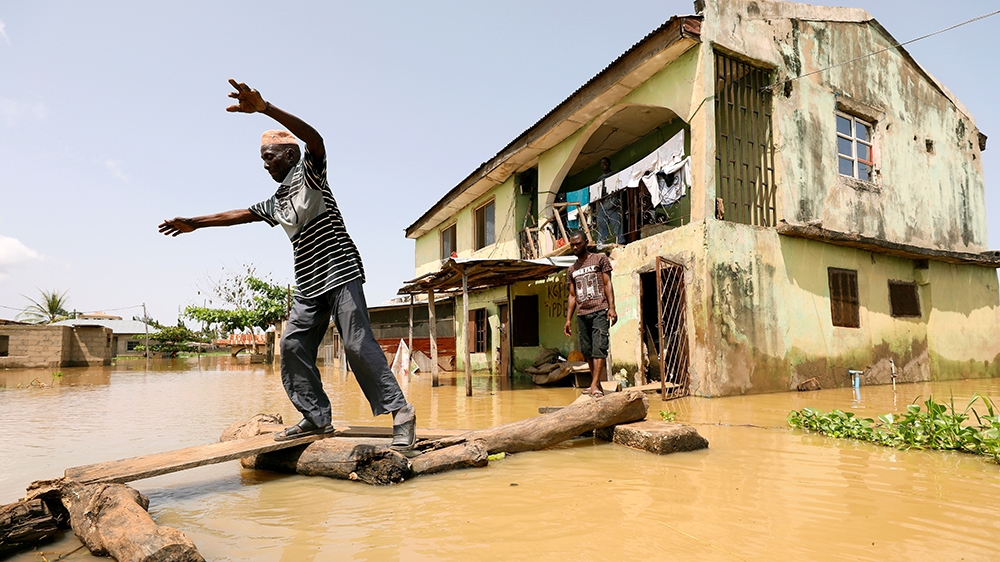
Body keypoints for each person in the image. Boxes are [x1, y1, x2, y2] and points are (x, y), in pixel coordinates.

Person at [158, 79, 416, 448]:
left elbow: (316, 139)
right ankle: (316, 417)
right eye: (262, 159)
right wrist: (194, 223)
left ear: (290, 156)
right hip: (308, 283)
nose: (265, 165)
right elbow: (239, 214)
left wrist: (266, 109)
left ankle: (401, 412)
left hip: (340, 270)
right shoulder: (277, 201)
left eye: (269, 157)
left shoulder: (310, 173)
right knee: (293, 345)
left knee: (357, 344)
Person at [563, 231, 617, 397]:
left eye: (578, 243)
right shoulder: (572, 269)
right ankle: (597, 385)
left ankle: (593, 384)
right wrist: (568, 319)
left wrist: (612, 307)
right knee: (587, 351)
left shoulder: (600, 259)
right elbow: (572, 296)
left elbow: (607, 283)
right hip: (582, 314)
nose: (575, 247)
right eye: (572, 245)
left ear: (586, 242)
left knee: (599, 348)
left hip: (600, 310)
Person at [595, 157, 623, 244]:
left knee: (616, 223)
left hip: (613, 201)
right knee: (601, 224)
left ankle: (620, 242)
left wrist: (618, 201)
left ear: (609, 163)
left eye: (606, 162)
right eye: (602, 163)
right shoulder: (599, 179)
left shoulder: (615, 174)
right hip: (603, 204)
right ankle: (601, 243)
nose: (604, 164)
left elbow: (620, 187)